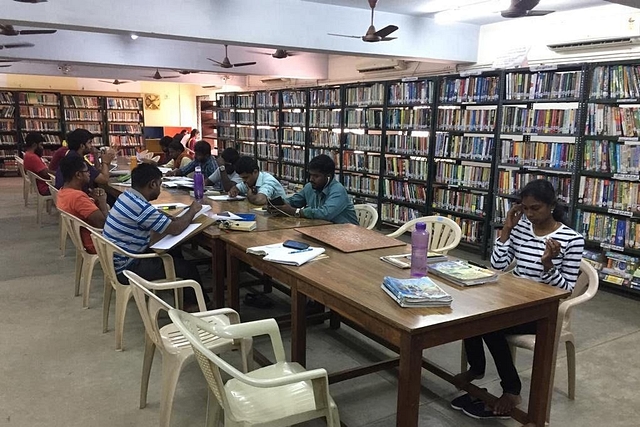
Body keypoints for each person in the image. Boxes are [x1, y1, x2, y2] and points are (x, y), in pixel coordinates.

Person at [452, 179, 584, 419]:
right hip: (514, 299)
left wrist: (548, 266)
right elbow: (498, 266)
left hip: (544, 309)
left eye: (536, 208)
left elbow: (566, 290)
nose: (530, 214)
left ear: (551, 206)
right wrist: (506, 231)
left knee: (491, 324)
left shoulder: (572, 240)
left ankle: (512, 390)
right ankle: (478, 367)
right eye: (525, 208)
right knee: (469, 307)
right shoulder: (521, 228)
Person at [102, 163, 209, 307]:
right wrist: (192, 210)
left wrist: (172, 220)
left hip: (117, 260)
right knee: (188, 268)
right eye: (159, 184)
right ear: (152, 184)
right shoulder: (140, 207)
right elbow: (175, 229)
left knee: (175, 250)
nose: (160, 188)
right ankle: (199, 307)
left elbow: (156, 221)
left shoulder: (127, 196)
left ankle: (179, 294)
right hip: (128, 268)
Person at [270, 154, 358, 224]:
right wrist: (277, 205)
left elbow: (325, 214)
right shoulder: (310, 186)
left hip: (347, 234)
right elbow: (294, 201)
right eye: (310, 175)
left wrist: (295, 212)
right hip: (324, 231)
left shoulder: (338, 190)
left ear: (328, 177)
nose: (311, 179)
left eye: (316, 176)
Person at [56, 155, 109, 254]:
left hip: (84, 240)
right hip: (96, 242)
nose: (89, 173)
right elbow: (103, 225)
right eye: (87, 171)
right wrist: (102, 202)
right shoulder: (78, 197)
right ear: (78, 175)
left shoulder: (63, 192)